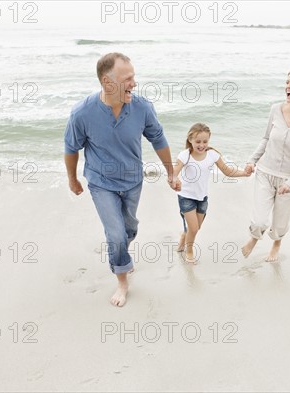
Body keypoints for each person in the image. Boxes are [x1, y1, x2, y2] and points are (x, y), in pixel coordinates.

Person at [64, 52, 180, 307]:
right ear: (108, 83)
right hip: (100, 182)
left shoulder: (142, 107)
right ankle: (122, 280)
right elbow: (71, 149)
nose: (134, 84)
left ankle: (120, 253)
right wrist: (73, 179)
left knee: (129, 229)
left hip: (132, 180)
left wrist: (171, 171)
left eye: (134, 77)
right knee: (116, 234)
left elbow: (158, 139)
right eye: (128, 78)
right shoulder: (82, 114)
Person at [241, 66, 290, 262]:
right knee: (259, 220)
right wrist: (252, 160)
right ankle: (254, 238)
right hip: (265, 173)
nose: (288, 86)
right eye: (287, 82)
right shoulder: (275, 109)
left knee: (279, 223)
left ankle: (276, 244)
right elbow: (266, 138)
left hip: (289, 179)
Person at [173, 123, 249, 264]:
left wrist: (243, 173)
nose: (201, 145)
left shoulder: (213, 155)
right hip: (186, 196)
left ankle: (184, 235)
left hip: (202, 198)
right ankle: (189, 252)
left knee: (195, 228)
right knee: (194, 229)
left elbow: (227, 171)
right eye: (198, 142)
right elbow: (174, 172)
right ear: (190, 140)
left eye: (205, 141)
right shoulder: (185, 155)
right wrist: (174, 180)